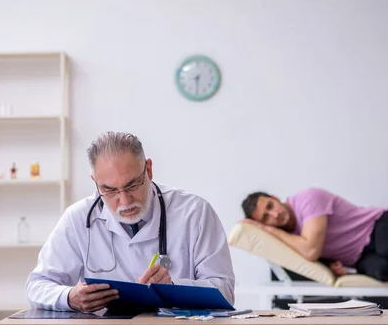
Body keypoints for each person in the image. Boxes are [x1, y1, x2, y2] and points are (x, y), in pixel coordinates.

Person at [26, 132, 235, 312]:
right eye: (109, 190)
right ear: (96, 183)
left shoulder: (194, 213)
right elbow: (37, 286)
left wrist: (173, 286)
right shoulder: (78, 218)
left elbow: (224, 290)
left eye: (133, 185)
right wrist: (69, 297)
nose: (124, 201)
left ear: (149, 170)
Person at [241, 187, 388, 282]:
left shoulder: (308, 198)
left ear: (275, 198)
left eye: (270, 206)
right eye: (266, 218)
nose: (275, 215)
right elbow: (313, 257)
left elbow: (310, 251)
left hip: (378, 225)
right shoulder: (288, 237)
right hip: (362, 257)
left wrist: (270, 229)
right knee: (383, 271)